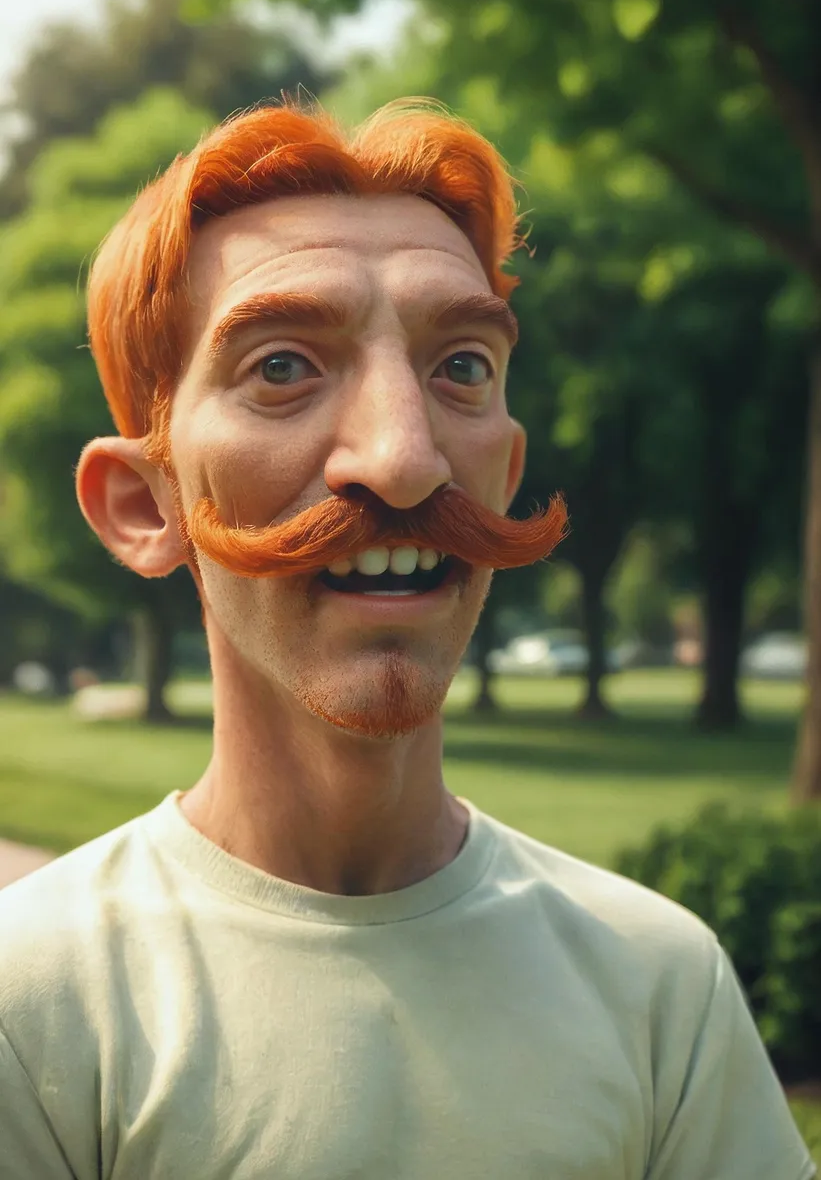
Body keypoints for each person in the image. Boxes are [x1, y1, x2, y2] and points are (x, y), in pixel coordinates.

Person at [0, 98, 814, 1180]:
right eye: (282, 366)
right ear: (143, 506)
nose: (403, 457)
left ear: (506, 464)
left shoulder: (659, 985)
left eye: (460, 365)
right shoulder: (32, 1001)